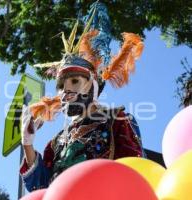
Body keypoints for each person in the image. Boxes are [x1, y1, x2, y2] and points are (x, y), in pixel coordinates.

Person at [19, 2, 145, 192]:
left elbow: (133, 173)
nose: (65, 91)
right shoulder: (55, 143)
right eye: (61, 86)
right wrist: (27, 144)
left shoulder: (117, 120)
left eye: (75, 81)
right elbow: (41, 188)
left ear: (93, 85)